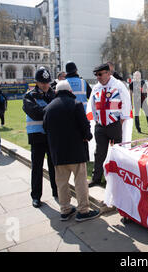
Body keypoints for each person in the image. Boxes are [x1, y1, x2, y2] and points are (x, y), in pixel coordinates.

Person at [43, 80, 100, 222]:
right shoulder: (76, 105)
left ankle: (65, 209)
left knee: (61, 183)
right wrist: (88, 136)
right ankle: (83, 210)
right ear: (70, 91)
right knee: (80, 181)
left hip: (58, 152)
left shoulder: (48, 108)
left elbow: (45, 128)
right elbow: (84, 125)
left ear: (56, 92)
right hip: (75, 151)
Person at [88, 63, 131, 187]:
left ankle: (118, 178)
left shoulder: (118, 85)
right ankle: (96, 178)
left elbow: (126, 103)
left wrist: (121, 120)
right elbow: (93, 104)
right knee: (99, 152)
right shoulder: (96, 87)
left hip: (114, 124)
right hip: (100, 125)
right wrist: (96, 120)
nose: (98, 77)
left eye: (100, 74)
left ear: (108, 73)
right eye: (96, 75)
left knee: (117, 152)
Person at [22, 67, 58, 208]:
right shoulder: (29, 96)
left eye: (47, 82)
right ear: (37, 82)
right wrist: (52, 110)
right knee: (37, 167)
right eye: (42, 82)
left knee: (54, 166)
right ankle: (36, 196)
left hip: (51, 134)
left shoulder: (54, 94)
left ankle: (56, 191)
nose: (45, 85)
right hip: (36, 135)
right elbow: (35, 113)